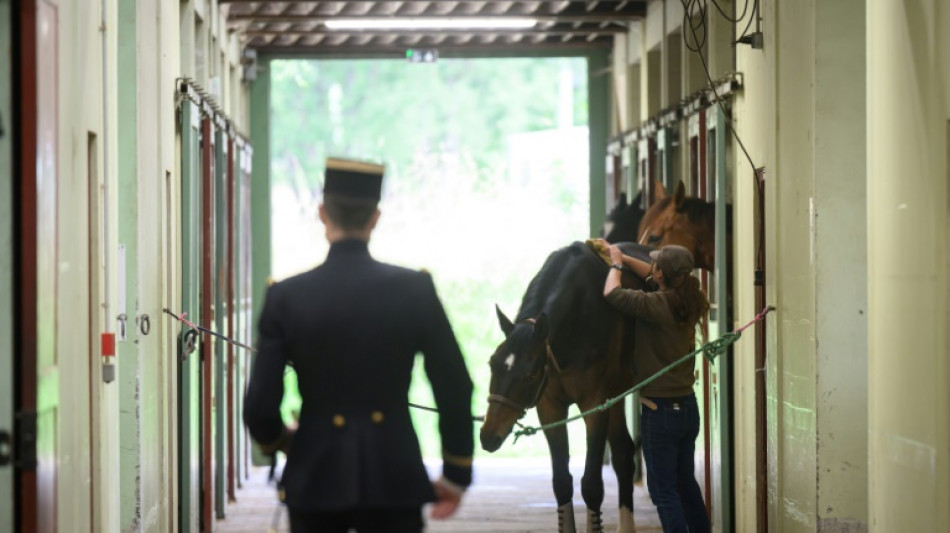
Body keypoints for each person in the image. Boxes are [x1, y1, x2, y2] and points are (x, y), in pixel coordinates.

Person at [244, 157, 475, 533]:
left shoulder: (286, 297)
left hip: (316, 477)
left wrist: (281, 441)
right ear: (375, 218)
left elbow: (259, 407)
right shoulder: (414, 290)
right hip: (394, 475)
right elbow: (454, 385)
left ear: (322, 213)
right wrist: (456, 471)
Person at [601, 242, 710, 533]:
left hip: (659, 413)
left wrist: (615, 266)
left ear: (661, 274)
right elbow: (653, 275)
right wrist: (620, 255)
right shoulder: (694, 298)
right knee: (686, 484)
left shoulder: (654, 305)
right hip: (688, 408)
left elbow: (612, 293)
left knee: (663, 491)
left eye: (656, 266)